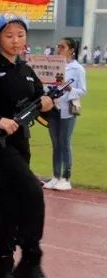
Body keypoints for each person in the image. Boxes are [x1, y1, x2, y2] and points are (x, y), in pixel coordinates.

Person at [0, 14, 55, 278]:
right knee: (32, 190)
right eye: (9, 35)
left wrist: (46, 103)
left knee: (9, 202)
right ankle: (31, 259)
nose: (16, 40)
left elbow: (42, 103)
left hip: (20, 144)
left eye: (20, 34)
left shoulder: (27, 71)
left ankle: (3, 272)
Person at [46, 37, 87, 191]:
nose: (59, 49)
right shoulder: (54, 65)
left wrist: (70, 90)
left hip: (68, 109)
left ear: (71, 50)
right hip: (53, 108)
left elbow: (83, 90)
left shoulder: (77, 69)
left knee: (64, 143)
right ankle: (56, 176)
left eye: (62, 47)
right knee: (55, 144)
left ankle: (66, 178)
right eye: (58, 46)